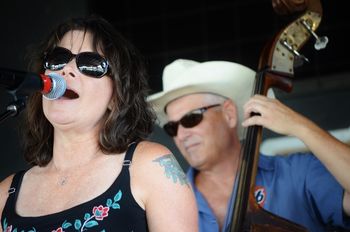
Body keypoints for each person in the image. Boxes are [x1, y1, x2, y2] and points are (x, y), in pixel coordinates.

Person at [0, 16, 198, 231]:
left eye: (90, 64)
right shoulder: (5, 194)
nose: (66, 70)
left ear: (116, 96)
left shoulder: (150, 167)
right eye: (58, 58)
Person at [147, 59, 350, 232]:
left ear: (229, 113)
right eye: (172, 128)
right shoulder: (169, 205)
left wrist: (301, 127)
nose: (181, 134)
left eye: (192, 118)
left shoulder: (296, 174)